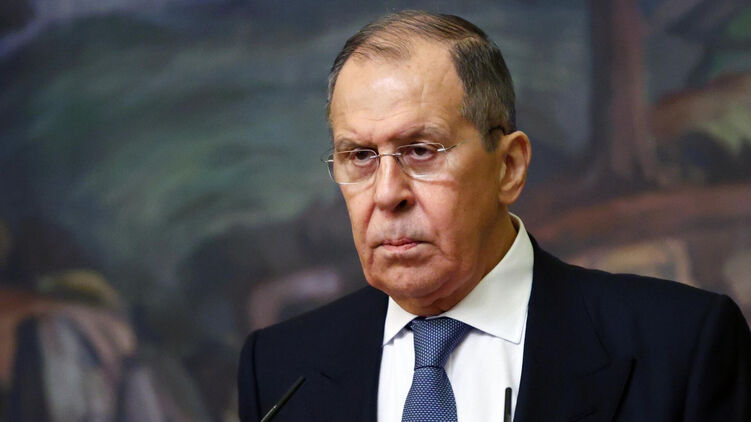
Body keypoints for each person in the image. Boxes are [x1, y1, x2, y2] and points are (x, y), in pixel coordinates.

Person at [238, 10, 751, 422]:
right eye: (360, 156)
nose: (387, 193)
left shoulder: (683, 346)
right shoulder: (280, 368)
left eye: (421, 151)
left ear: (508, 167)